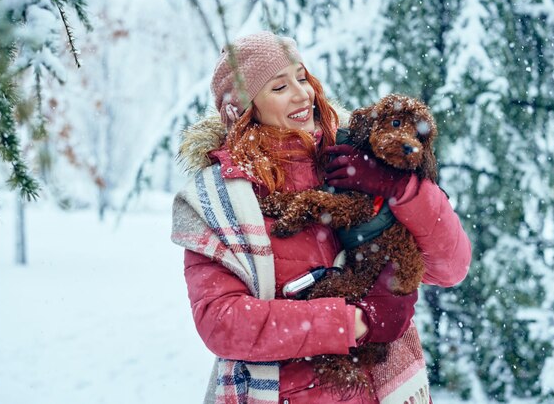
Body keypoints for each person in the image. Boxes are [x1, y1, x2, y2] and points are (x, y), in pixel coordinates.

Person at [171, 31, 471, 404]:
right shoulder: (219, 199)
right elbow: (222, 322)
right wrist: (357, 321)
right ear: (246, 109)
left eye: (302, 77)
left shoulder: (355, 159)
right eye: (279, 87)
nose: (302, 94)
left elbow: (450, 267)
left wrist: (402, 188)